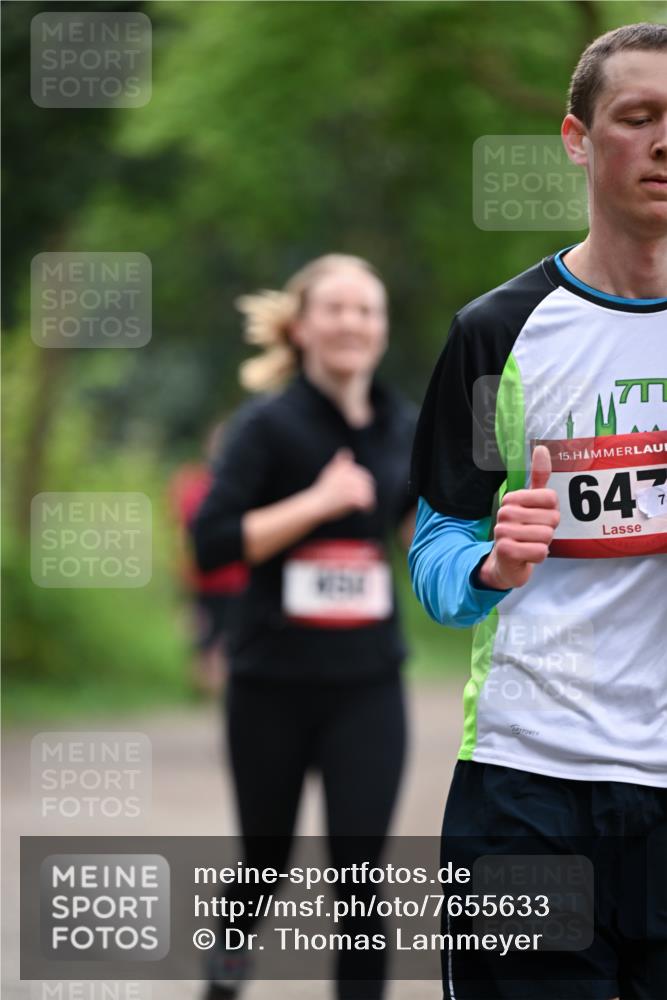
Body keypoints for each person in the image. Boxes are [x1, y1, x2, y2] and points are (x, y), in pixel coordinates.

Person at [409, 23, 666, 1000]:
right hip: (527, 790)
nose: (662, 141)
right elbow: (435, 549)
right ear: (575, 138)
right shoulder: (496, 334)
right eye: (636, 117)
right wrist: (487, 566)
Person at [193, 254, 417, 999]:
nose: (352, 322)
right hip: (271, 686)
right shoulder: (266, 425)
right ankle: (221, 985)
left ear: (382, 329)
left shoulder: (401, 426)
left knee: (359, 879)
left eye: (367, 309)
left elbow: (417, 534)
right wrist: (317, 503)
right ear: (300, 327)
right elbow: (212, 541)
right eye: (336, 308)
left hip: (367, 685)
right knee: (262, 865)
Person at [169, 423, 249, 696]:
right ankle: (205, 695)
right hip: (203, 579)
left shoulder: (248, 480)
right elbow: (185, 530)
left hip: (239, 579)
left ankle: (219, 693)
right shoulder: (192, 483)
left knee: (229, 642)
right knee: (204, 640)